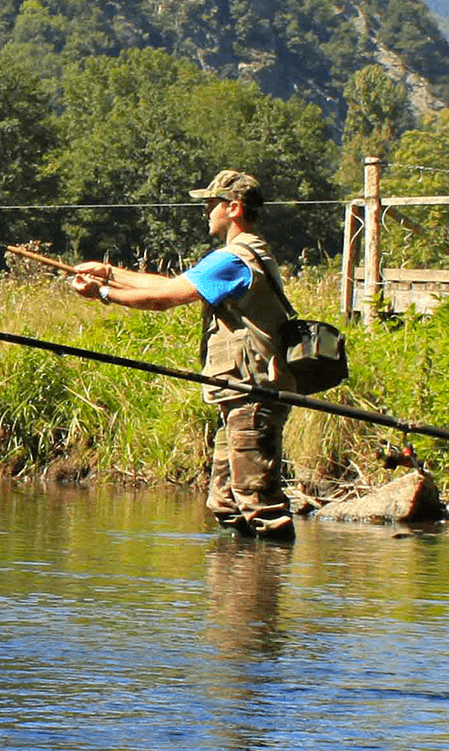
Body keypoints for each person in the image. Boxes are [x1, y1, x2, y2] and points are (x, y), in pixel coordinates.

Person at [72, 170, 297, 541]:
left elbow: (164, 299)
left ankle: (261, 596)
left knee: (259, 504)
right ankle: (235, 590)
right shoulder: (241, 255)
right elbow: (170, 284)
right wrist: (108, 273)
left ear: (234, 208)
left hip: (253, 393)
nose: (206, 212)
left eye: (211, 204)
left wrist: (104, 294)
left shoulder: (234, 260)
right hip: (240, 393)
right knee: (225, 503)